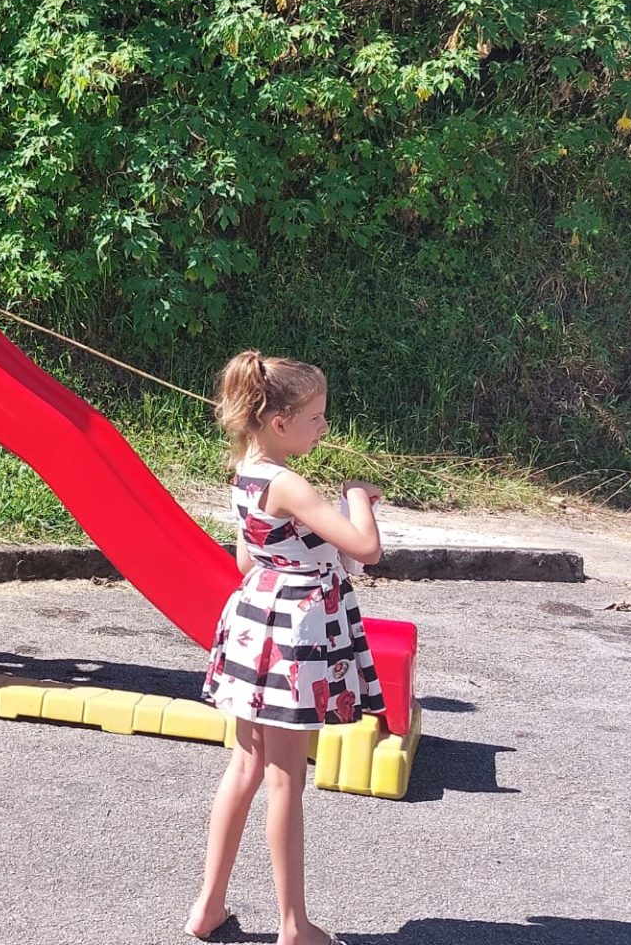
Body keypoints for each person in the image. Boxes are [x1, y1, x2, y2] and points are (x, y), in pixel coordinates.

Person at [185, 350, 385, 945]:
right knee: (285, 781)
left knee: (244, 766)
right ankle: (294, 926)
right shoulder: (290, 483)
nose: (325, 426)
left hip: (255, 622)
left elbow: (247, 560)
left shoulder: (246, 473)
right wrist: (357, 495)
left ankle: (208, 907)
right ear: (279, 422)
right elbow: (366, 548)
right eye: (316, 417)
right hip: (294, 634)